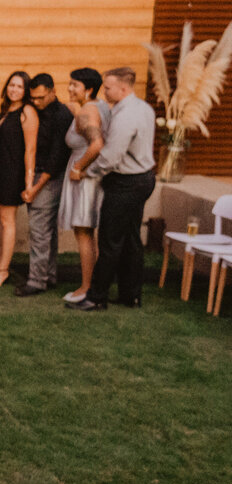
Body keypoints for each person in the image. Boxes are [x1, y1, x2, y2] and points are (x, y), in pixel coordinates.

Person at [66, 67, 156, 311]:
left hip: (127, 182)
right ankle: (130, 294)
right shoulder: (143, 108)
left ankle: (96, 298)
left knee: (110, 241)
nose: (104, 91)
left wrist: (86, 172)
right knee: (130, 240)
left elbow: (110, 157)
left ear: (123, 88)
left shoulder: (126, 116)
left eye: (108, 87)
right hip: (144, 177)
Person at [16, 73, 74, 296]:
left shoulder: (62, 116)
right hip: (39, 174)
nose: (36, 103)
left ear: (52, 92)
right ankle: (48, 275)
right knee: (47, 231)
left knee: (39, 230)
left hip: (49, 177)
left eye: (40, 98)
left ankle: (37, 280)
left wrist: (35, 187)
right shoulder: (36, 111)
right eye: (33, 99)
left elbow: (56, 158)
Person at [0, 71, 37, 289]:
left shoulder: (27, 112)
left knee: (6, 221)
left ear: (26, 91)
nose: (14, 89)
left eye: (19, 87)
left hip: (12, 173)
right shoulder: (6, 110)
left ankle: (3, 270)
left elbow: (30, 149)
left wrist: (29, 182)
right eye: (11, 85)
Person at [58, 68, 108, 303]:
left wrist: (78, 167)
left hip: (85, 180)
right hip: (94, 176)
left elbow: (97, 143)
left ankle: (87, 287)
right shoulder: (98, 107)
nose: (69, 88)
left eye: (74, 85)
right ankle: (93, 284)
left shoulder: (87, 112)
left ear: (88, 89)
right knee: (88, 233)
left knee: (84, 233)